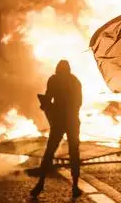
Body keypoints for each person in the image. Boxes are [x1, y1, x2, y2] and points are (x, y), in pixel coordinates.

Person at [31, 60, 83, 199]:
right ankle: (75, 186)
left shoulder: (54, 80)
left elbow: (48, 98)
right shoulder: (75, 81)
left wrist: (45, 105)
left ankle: (40, 183)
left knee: (49, 152)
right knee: (74, 153)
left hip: (59, 121)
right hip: (72, 120)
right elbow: (79, 103)